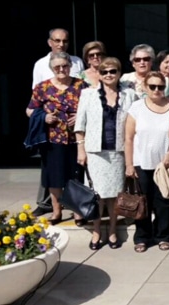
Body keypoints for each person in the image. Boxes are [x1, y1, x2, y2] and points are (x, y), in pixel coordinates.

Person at [75, 57, 138, 250]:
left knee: (114, 196)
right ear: (99, 75)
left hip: (118, 151)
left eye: (113, 71)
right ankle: (96, 230)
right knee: (97, 195)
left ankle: (111, 230)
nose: (109, 75)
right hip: (95, 152)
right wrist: (81, 149)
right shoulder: (88, 94)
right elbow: (80, 124)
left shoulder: (129, 94)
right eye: (105, 72)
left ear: (119, 73)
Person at [26, 52, 87, 225]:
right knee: (54, 177)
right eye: (57, 67)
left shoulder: (81, 86)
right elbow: (29, 110)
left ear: (70, 66)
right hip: (52, 139)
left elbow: (93, 108)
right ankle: (56, 211)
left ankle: (77, 212)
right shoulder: (42, 87)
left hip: (77, 139)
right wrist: (43, 117)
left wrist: (81, 117)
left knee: (75, 176)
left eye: (65, 66)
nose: (62, 69)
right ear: (52, 68)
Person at [125, 71, 169, 253]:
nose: (156, 90)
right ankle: (142, 237)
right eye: (152, 86)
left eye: (160, 87)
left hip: (164, 164)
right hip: (141, 162)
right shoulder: (136, 108)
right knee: (142, 203)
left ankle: (163, 236)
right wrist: (129, 164)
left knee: (163, 202)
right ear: (145, 87)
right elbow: (128, 138)